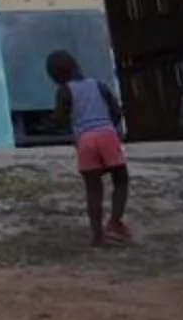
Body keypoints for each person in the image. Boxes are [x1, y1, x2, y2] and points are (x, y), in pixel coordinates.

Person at [47, 49, 132, 247]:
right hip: (106, 134)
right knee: (121, 179)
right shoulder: (98, 85)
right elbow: (116, 111)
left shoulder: (65, 90)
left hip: (85, 139)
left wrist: (53, 123)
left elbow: (59, 119)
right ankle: (115, 222)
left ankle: (97, 236)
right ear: (76, 65)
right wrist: (111, 129)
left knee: (93, 188)